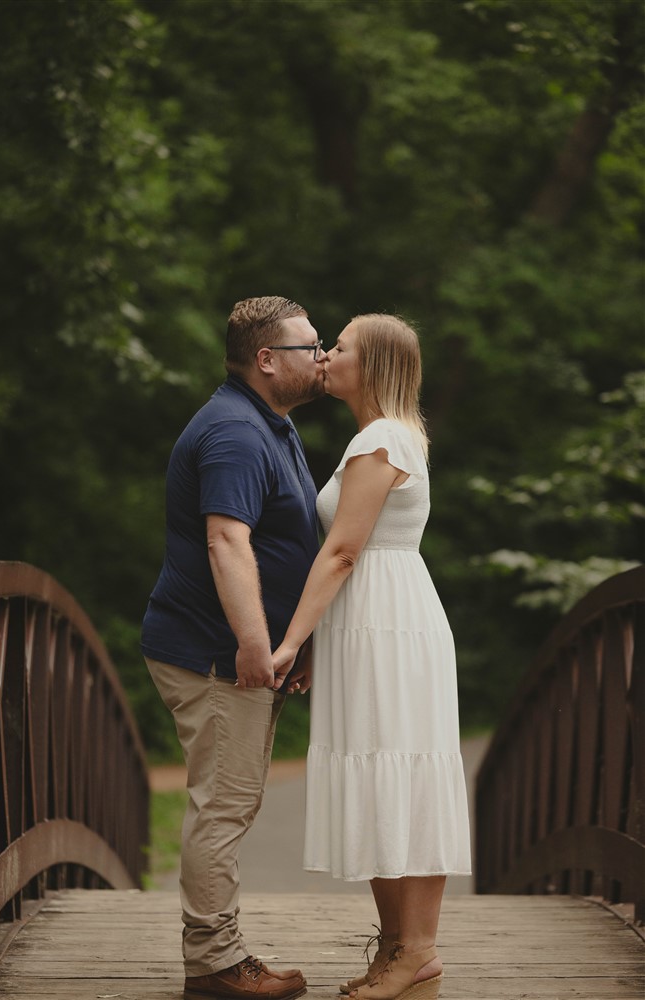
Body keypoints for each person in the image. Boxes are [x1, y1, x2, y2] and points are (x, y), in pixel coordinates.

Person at [272, 314, 471, 1000]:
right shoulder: (379, 435)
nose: (325, 354)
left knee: (398, 771)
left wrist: (292, 640)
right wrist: (320, 644)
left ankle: (416, 948)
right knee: (384, 774)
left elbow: (343, 551)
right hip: (373, 617)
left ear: (376, 365)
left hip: (387, 621)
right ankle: (397, 947)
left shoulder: (383, 438)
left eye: (342, 347)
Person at [141, 296, 325, 1000]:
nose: (322, 355)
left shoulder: (268, 424)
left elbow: (285, 540)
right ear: (266, 359)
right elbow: (227, 539)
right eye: (308, 346)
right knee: (223, 805)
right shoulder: (236, 433)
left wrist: (291, 642)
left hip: (239, 650)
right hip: (215, 652)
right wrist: (255, 642)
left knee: (231, 802)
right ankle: (216, 965)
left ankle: (219, 953)